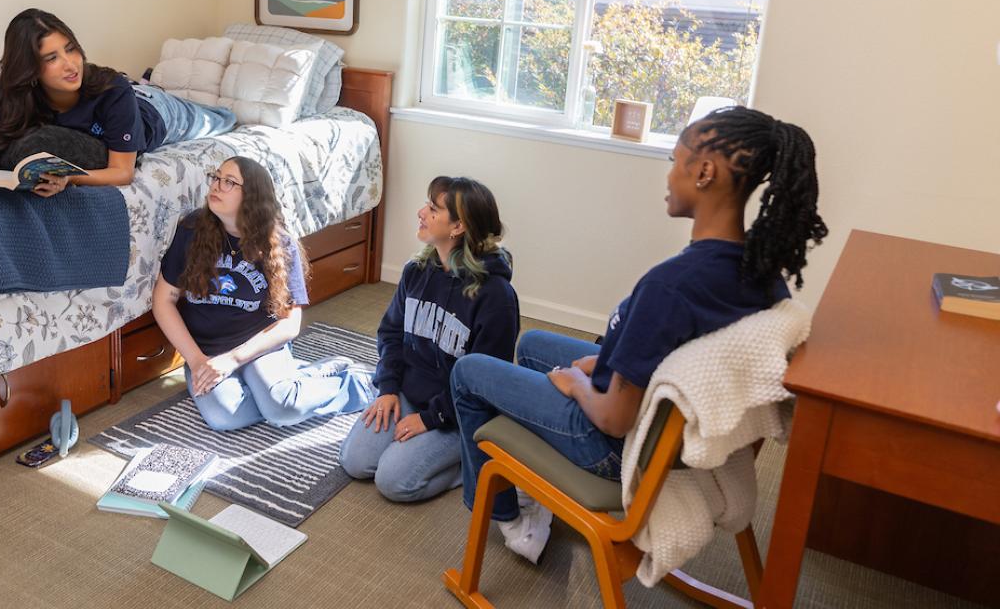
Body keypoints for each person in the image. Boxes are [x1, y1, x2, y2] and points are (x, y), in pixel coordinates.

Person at [451, 106, 828, 564]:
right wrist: (606, 361)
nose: (669, 175)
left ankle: (510, 516)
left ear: (704, 172)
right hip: (649, 414)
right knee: (532, 345)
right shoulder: (762, 274)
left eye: (675, 160)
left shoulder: (670, 286)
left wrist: (579, 384)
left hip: (609, 445)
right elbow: (669, 349)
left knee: (468, 373)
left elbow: (613, 419)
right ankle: (529, 480)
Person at [152, 156, 376, 430]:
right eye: (216, 177)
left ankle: (356, 385)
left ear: (252, 197)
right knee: (225, 418)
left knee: (284, 409)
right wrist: (198, 361)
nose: (217, 186)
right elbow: (164, 300)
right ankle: (299, 378)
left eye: (229, 182)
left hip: (259, 346)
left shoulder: (278, 242)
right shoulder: (191, 229)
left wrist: (234, 359)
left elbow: (290, 323)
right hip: (206, 351)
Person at [340, 177, 519, 503]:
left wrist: (430, 419)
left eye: (433, 209)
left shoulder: (497, 296)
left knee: (392, 481)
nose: (421, 212)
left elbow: (484, 383)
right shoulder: (416, 271)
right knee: (355, 462)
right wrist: (389, 388)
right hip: (410, 392)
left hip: (458, 412)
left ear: (458, 227)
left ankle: (470, 459)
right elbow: (391, 334)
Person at [0, 8, 235, 196]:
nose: (70, 64)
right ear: (30, 70)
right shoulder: (13, 97)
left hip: (153, 110)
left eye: (71, 49)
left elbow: (123, 172)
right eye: (52, 58)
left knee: (220, 118)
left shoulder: (112, 92)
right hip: (122, 101)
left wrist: (71, 180)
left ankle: (206, 106)